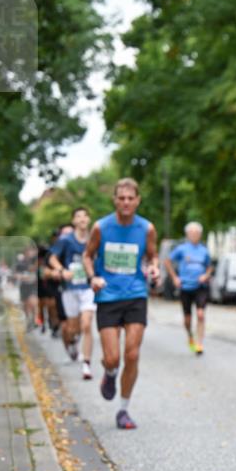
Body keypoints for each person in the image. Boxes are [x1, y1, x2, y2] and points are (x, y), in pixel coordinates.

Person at [82, 178, 160, 429]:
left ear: (137, 200)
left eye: (130, 198)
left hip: (135, 295)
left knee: (133, 354)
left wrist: (154, 268)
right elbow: (87, 255)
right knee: (112, 358)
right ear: (114, 200)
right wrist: (92, 277)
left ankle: (123, 410)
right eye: (121, 198)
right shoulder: (101, 227)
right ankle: (110, 373)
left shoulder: (146, 228)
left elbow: (153, 256)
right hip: (108, 296)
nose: (126, 202)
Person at [48, 207, 96, 379]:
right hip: (70, 288)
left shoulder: (95, 238)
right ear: (74, 221)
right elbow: (52, 258)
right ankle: (72, 342)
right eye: (78, 216)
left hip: (88, 287)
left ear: (89, 220)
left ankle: (86, 365)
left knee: (87, 324)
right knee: (72, 328)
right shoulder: (66, 240)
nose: (82, 219)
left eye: (85, 216)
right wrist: (62, 271)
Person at [165, 221, 214, 355]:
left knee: (200, 314)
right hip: (185, 286)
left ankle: (199, 343)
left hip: (200, 286)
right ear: (187, 234)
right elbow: (167, 261)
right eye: (191, 233)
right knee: (187, 318)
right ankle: (190, 336)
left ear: (200, 235)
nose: (194, 235)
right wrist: (175, 278)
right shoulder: (181, 249)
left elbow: (210, 267)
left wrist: (205, 275)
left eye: (196, 233)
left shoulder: (204, 250)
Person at [14, 248, 40, 329]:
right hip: (24, 286)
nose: (30, 254)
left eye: (31, 252)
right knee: (26, 305)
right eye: (28, 252)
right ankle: (29, 320)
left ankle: (35, 319)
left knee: (33, 302)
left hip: (33, 286)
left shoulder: (35, 262)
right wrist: (22, 277)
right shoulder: (20, 264)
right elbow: (16, 274)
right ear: (25, 253)